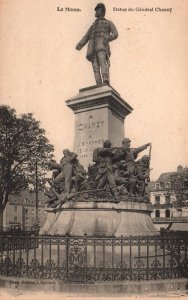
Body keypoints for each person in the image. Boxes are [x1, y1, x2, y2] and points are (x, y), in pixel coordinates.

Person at [76, 3, 118, 85]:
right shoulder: (93, 26)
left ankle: (105, 80)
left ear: (102, 11)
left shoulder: (108, 22)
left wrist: (107, 39)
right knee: (95, 68)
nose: (96, 12)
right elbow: (86, 36)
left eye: (98, 10)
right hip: (92, 49)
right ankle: (98, 84)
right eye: (96, 10)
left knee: (103, 64)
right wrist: (80, 45)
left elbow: (115, 34)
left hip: (102, 47)